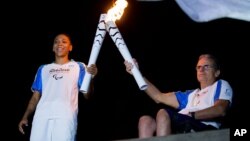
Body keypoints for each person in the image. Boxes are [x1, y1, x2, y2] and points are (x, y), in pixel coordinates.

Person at [124, 54, 233, 138]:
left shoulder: (220, 84)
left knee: (163, 113)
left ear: (217, 72)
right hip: (185, 125)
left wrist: (192, 115)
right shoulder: (191, 94)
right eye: (198, 67)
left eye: (206, 66)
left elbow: (220, 109)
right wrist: (136, 73)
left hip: (205, 128)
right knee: (145, 121)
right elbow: (158, 97)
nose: (201, 69)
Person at [18, 33, 98, 141]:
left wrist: (91, 78)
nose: (59, 44)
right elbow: (35, 97)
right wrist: (25, 116)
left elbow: (87, 95)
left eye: (64, 41)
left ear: (70, 47)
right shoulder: (43, 69)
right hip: (41, 117)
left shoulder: (79, 67)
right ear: (53, 48)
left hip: (65, 117)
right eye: (56, 42)